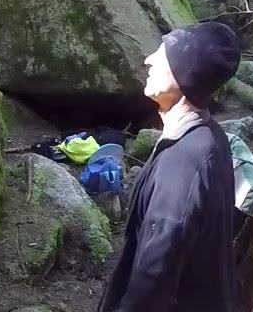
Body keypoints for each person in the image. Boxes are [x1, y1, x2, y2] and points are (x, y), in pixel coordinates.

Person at [98, 21, 240, 312]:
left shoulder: (184, 163)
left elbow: (153, 280)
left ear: (186, 75)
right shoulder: (210, 136)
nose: (148, 59)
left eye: (163, 54)